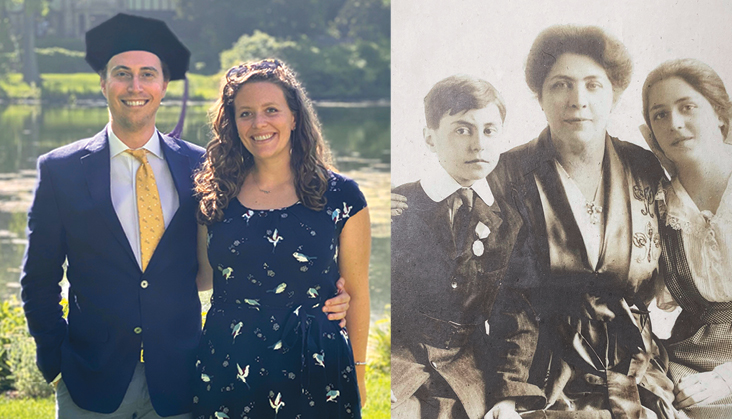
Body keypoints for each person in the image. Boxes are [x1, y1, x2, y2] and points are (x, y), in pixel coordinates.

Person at [19, 14, 349, 419]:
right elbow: (38, 279)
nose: (135, 86)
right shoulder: (60, 170)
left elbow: (247, 250)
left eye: (147, 74)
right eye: (122, 74)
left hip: (180, 381)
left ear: (163, 86)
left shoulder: (205, 168)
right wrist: (55, 364)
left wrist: (324, 294)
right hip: (90, 382)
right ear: (103, 83)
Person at [489, 25, 677, 418]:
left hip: (635, 366)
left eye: (593, 85)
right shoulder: (508, 171)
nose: (578, 100)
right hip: (544, 371)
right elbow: (507, 299)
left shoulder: (642, 166)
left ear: (614, 95)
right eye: (561, 85)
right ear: (539, 97)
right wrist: (511, 392)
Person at [191, 58, 370, 418]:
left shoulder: (341, 195)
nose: (259, 123)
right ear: (232, 123)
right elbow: (201, 277)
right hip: (229, 357)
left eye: (271, 110)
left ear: (293, 116)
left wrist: (360, 372)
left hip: (315, 360)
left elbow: (358, 291)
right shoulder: (214, 194)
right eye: (245, 113)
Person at [391, 75, 543, 419]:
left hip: (465, 366)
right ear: (430, 138)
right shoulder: (398, 206)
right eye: (462, 130)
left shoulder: (509, 220)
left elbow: (516, 314)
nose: (478, 145)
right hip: (398, 359)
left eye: (489, 131)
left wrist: (508, 395)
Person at [641, 58, 732, 419]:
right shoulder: (659, 205)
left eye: (687, 107)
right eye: (660, 115)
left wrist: (729, 379)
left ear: (718, 114)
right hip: (688, 358)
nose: (675, 123)